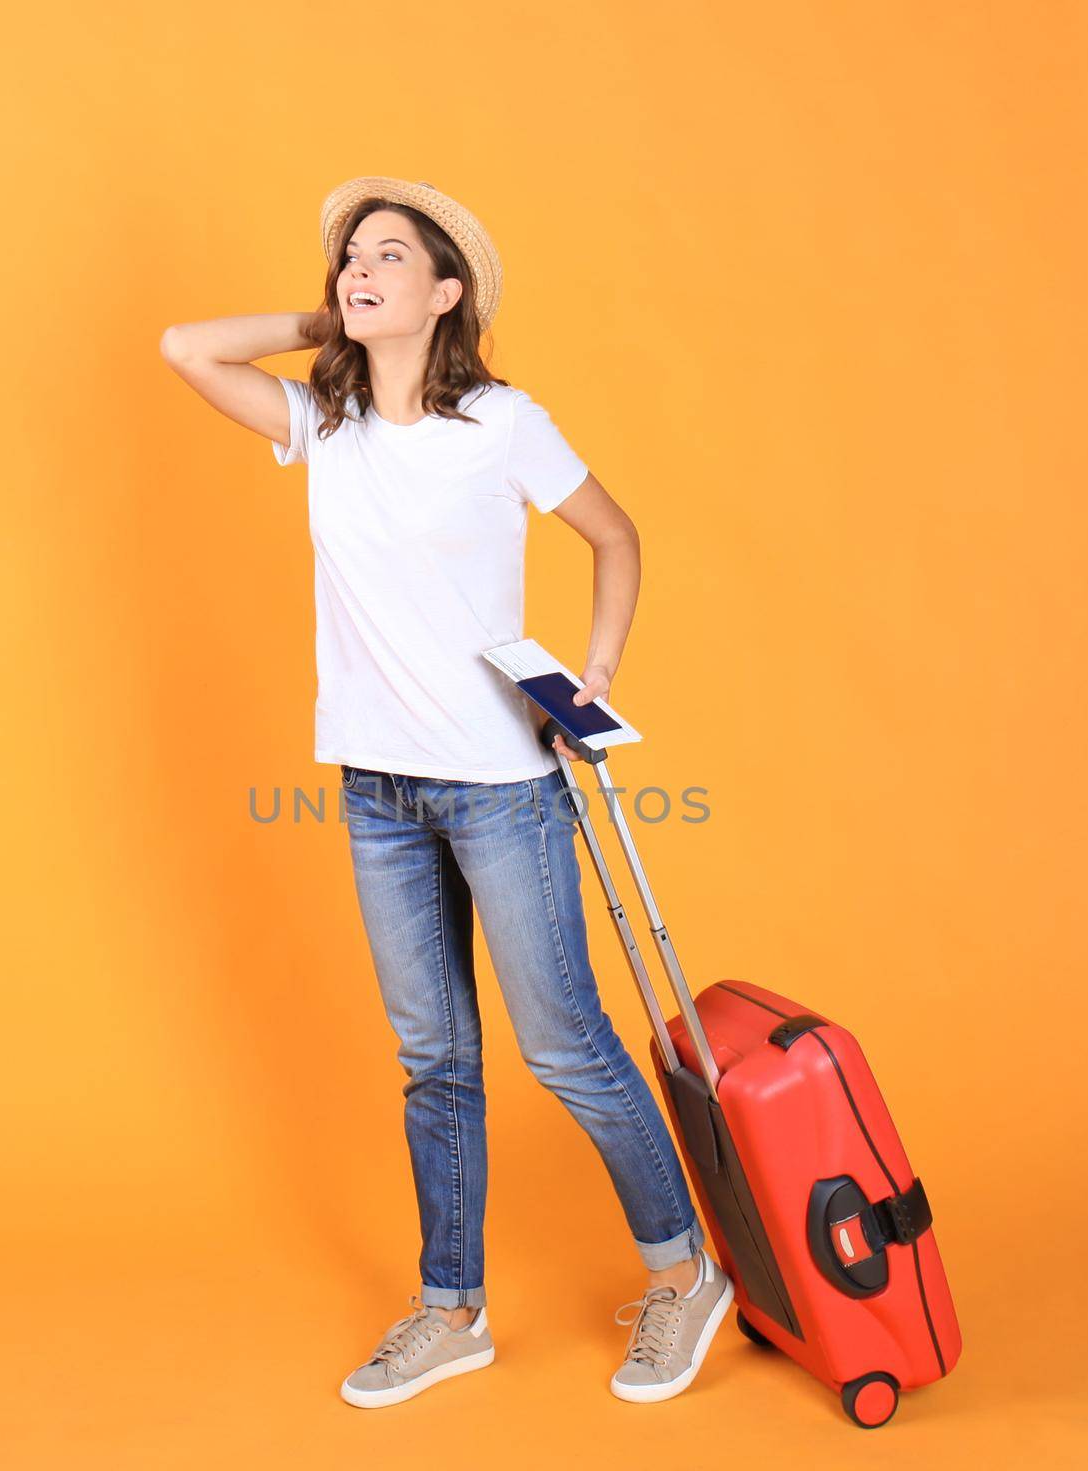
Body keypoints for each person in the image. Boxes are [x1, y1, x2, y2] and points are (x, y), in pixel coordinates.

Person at [160, 175, 733, 1408]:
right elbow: (184, 347)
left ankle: (683, 1274)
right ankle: (450, 1307)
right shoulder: (323, 424)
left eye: (387, 258)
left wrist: (590, 678)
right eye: (347, 259)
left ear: (447, 291)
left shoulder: (502, 424)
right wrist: (335, 329)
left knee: (565, 1046)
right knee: (435, 1058)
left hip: (499, 788)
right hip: (375, 788)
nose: (357, 270)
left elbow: (615, 536)